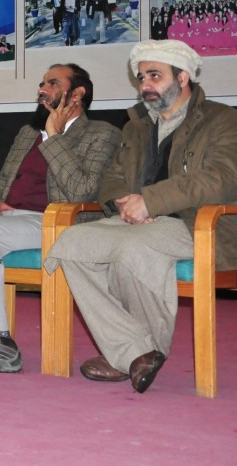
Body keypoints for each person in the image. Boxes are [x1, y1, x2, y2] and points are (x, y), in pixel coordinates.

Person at [45, 40, 237, 393]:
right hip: (137, 220)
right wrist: (124, 202)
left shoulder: (223, 119)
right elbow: (113, 177)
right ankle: (135, 351)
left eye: (154, 76)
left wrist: (151, 202)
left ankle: (128, 354)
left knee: (133, 249)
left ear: (182, 78)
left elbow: (220, 179)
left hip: (198, 223)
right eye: (141, 77)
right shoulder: (137, 125)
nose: (145, 84)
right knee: (71, 242)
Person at [0, 64, 120, 373]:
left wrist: (53, 137)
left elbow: (82, 191)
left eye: (52, 83)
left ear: (77, 94)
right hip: (11, 219)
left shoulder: (102, 133)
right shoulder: (29, 132)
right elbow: (1, 179)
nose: (42, 88)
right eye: (42, 83)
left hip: (59, 220)